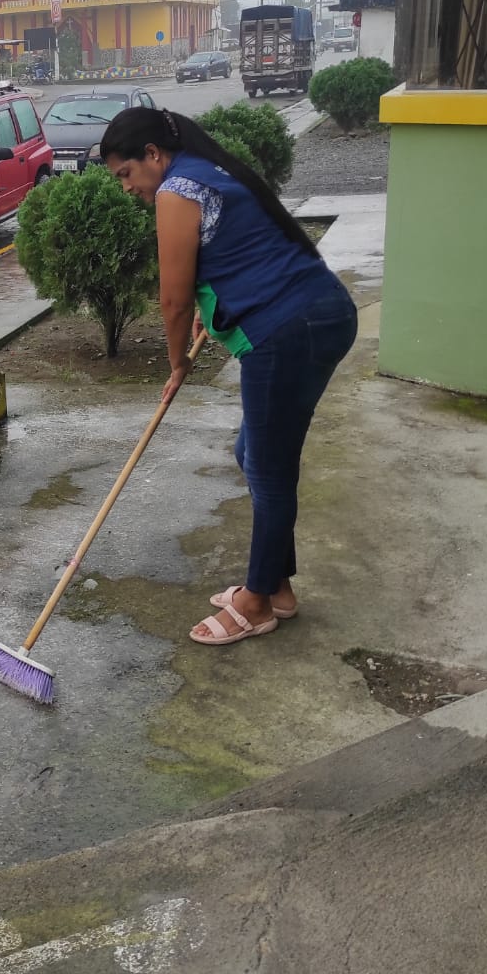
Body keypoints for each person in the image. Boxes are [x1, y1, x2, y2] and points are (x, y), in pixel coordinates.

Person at [99, 108, 357, 647]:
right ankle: (277, 586)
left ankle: (257, 602)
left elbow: (172, 300)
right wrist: (213, 304)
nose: (126, 187)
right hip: (315, 315)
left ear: (153, 155)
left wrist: (178, 363)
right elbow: (237, 250)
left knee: (267, 466)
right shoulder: (208, 171)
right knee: (255, 454)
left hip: (289, 329)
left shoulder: (177, 190)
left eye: (126, 173)